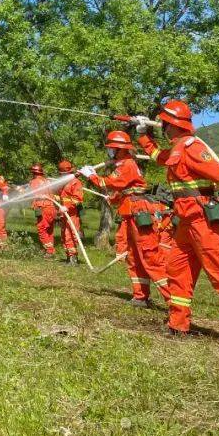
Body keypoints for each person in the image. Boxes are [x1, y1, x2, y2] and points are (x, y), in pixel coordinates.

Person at [128, 101, 219, 345]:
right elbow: (159, 157)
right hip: (185, 222)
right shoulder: (177, 149)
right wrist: (142, 135)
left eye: (164, 124)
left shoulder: (193, 147)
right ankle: (177, 324)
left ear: (170, 124)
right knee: (177, 271)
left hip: (204, 222)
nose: (162, 127)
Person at [81, 131, 170, 306]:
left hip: (139, 212)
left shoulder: (127, 164)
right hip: (131, 211)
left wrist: (91, 175)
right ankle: (140, 296)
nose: (110, 152)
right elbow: (126, 189)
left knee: (149, 256)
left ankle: (174, 302)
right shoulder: (124, 164)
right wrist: (113, 198)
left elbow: (110, 183)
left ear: (119, 149)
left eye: (111, 149)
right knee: (134, 256)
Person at [56, 160, 84, 265]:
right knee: (64, 235)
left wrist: (67, 207)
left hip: (71, 213)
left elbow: (78, 199)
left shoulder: (76, 182)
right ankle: (68, 258)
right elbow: (60, 197)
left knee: (70, 235)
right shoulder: (63, 183)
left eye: (63, 174)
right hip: (63, 213)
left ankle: (73, 259)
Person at [29, 164, 57, 258]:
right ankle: (50, 249)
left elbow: (33, 194)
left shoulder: (34, 181)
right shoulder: (46, 181)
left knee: (41, 229)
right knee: (49, 230)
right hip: (51, 207)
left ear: (34, 173)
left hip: (43, 207)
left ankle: (49, 251)